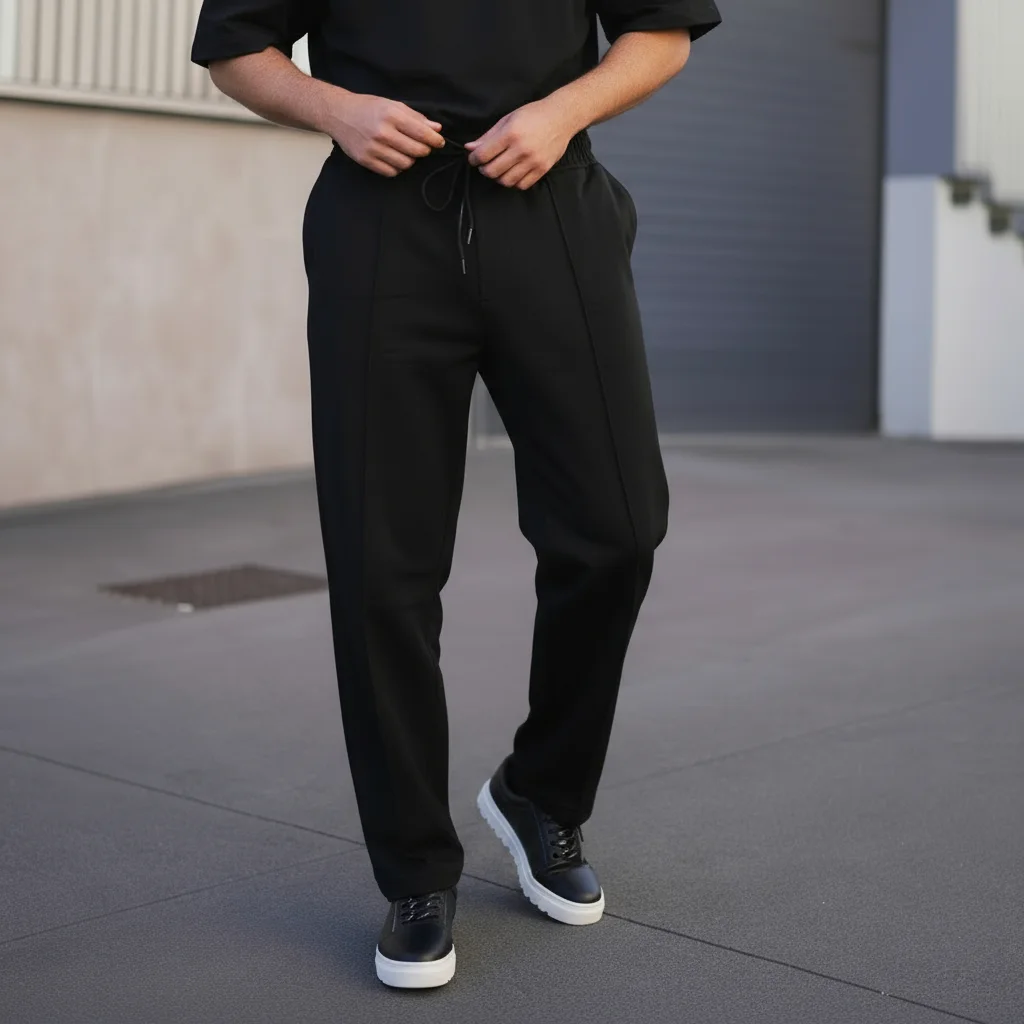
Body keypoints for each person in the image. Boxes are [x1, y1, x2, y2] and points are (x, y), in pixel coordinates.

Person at [192, 0, 721, 989]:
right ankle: (414, 873)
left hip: (552, 208)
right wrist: (336, 109)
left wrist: (562, 112)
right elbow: (234, 49)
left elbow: (661, 33)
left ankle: (541, 792)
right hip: (381, 224)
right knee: (380, 566)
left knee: (616, 527)